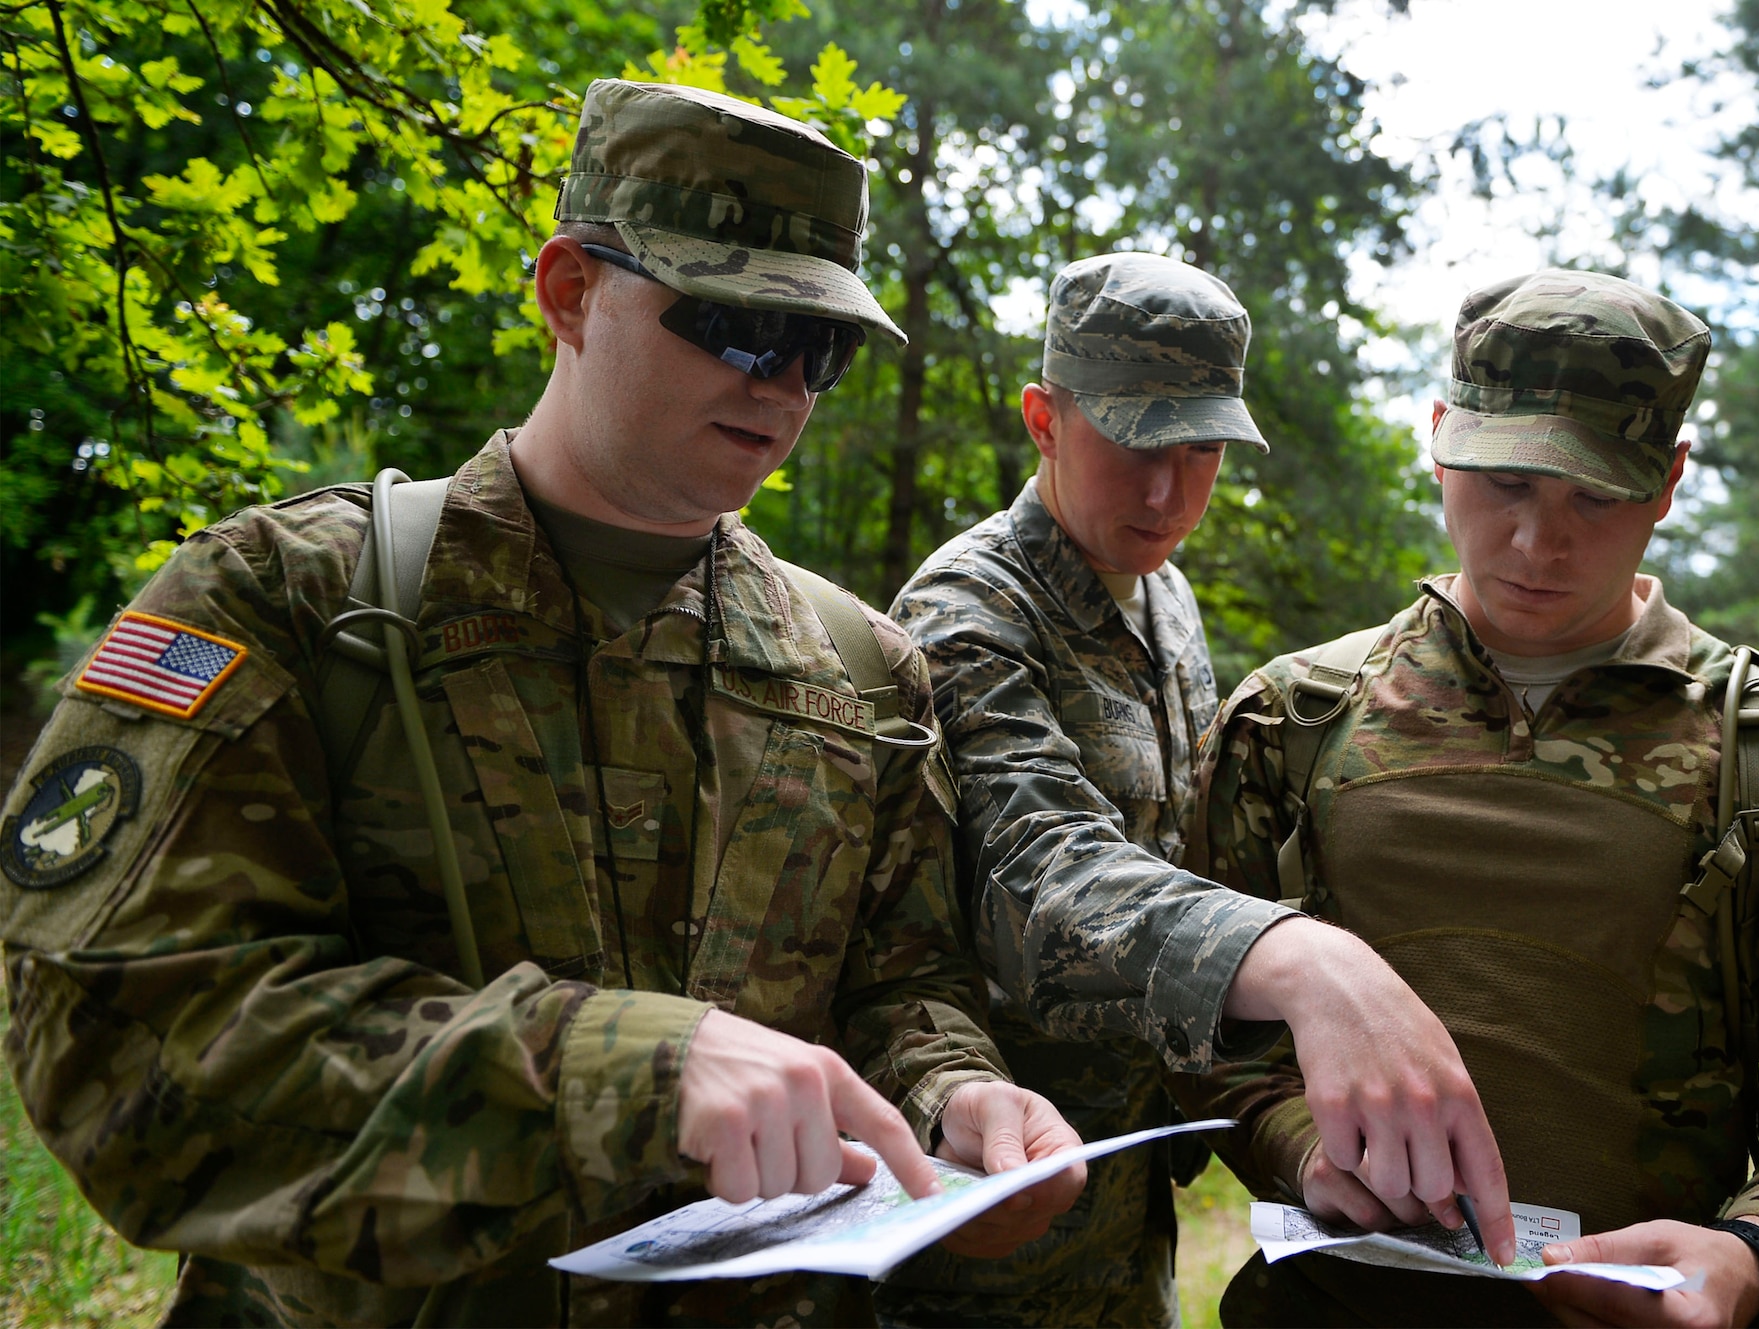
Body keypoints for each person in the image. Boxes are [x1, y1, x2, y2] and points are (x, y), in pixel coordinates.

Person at [0, 79, 1085, 1328]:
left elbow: (900, 988)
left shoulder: (862, 668)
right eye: (735, 326)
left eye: (820, 348)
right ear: (570, 291)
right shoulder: (297, 601)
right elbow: (116, 1034)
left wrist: (955, 1093)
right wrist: (608, 1070)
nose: (783, 385)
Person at [1178, 268, 1759, 1328]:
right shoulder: (1288, 725)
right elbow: (1193, 1016)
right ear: (1437, 439)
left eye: (1593, 498)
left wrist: (1757, 1253)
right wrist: (1299, 1144)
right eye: (1504, 485)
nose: (1537, 542)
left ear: (1668, 480)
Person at [876, 253, 1268, 1325]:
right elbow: (1039, 863)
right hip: (990, 1195)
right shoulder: (968, 610)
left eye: (1199, 452)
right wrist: (1283, 958)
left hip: (1127, 1188)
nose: (1164, 491)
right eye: (1134, 443)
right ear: (1043, 420)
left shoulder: (1164, 595)